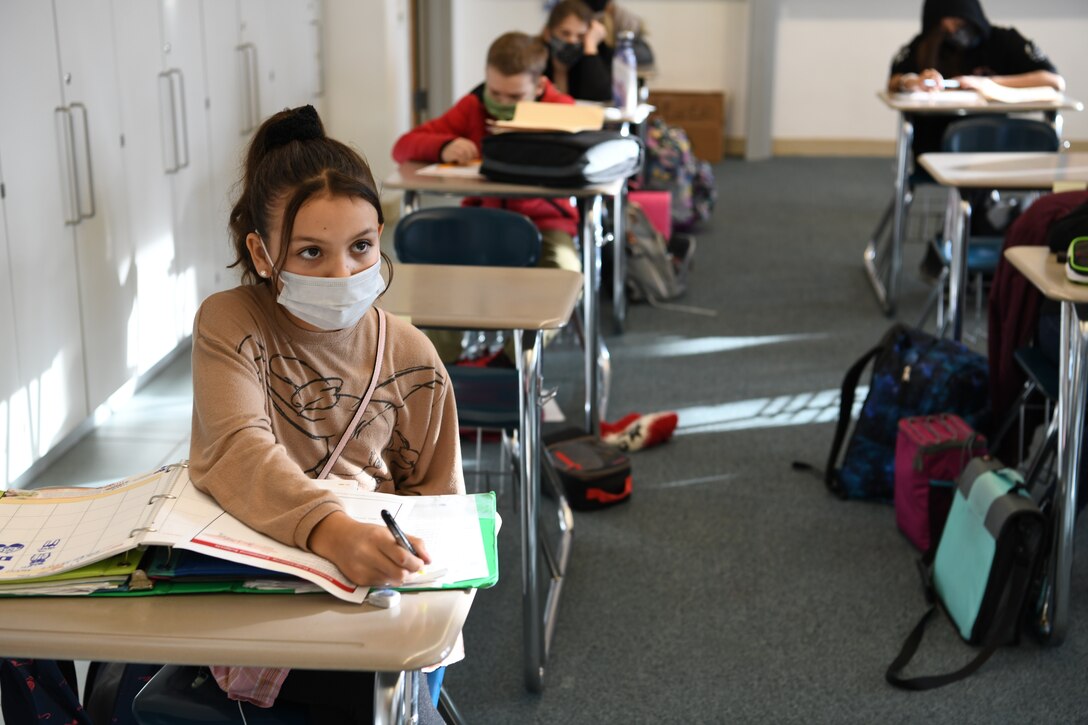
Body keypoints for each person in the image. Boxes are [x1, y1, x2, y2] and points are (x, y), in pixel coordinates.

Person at [188, 104, 462, 723]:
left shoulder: (412, 356)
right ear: (262, 253)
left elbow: (440, 506)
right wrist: (333, 531)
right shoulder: (232, 322)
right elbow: (238, 450)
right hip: (256, 574)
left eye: (362, 247)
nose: (343, 273)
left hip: (363, 596)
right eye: (311, 253)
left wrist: (402, 565)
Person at [392, 31, 581, 364]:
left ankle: (510, 366)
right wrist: (444, 145)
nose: (502, 103)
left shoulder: (562, 111)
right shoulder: (474, 106)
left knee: (566, 274)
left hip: (546, 223)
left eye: (514, 96)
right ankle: (434, 367)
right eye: (495, 92)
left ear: (539, 88)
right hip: (484, 222)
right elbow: (404, 146)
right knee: (440, 278)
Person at [887, 0, 1065, 159]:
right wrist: (913, 82)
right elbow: (894, 81)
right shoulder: (924, 44)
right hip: (937, 142)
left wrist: (988, 83)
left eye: (957, 21)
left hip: (995, 138)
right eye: (944, 23)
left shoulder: (1003, 41)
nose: (951, 29)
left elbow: (1054, 81)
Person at [542, 0, 612, 102]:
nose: (572, 40)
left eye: (580, 36)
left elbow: (601, 98)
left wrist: (590, 47)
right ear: (548, 33)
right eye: (565, 33)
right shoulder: (534, 56)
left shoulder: (599, 56)